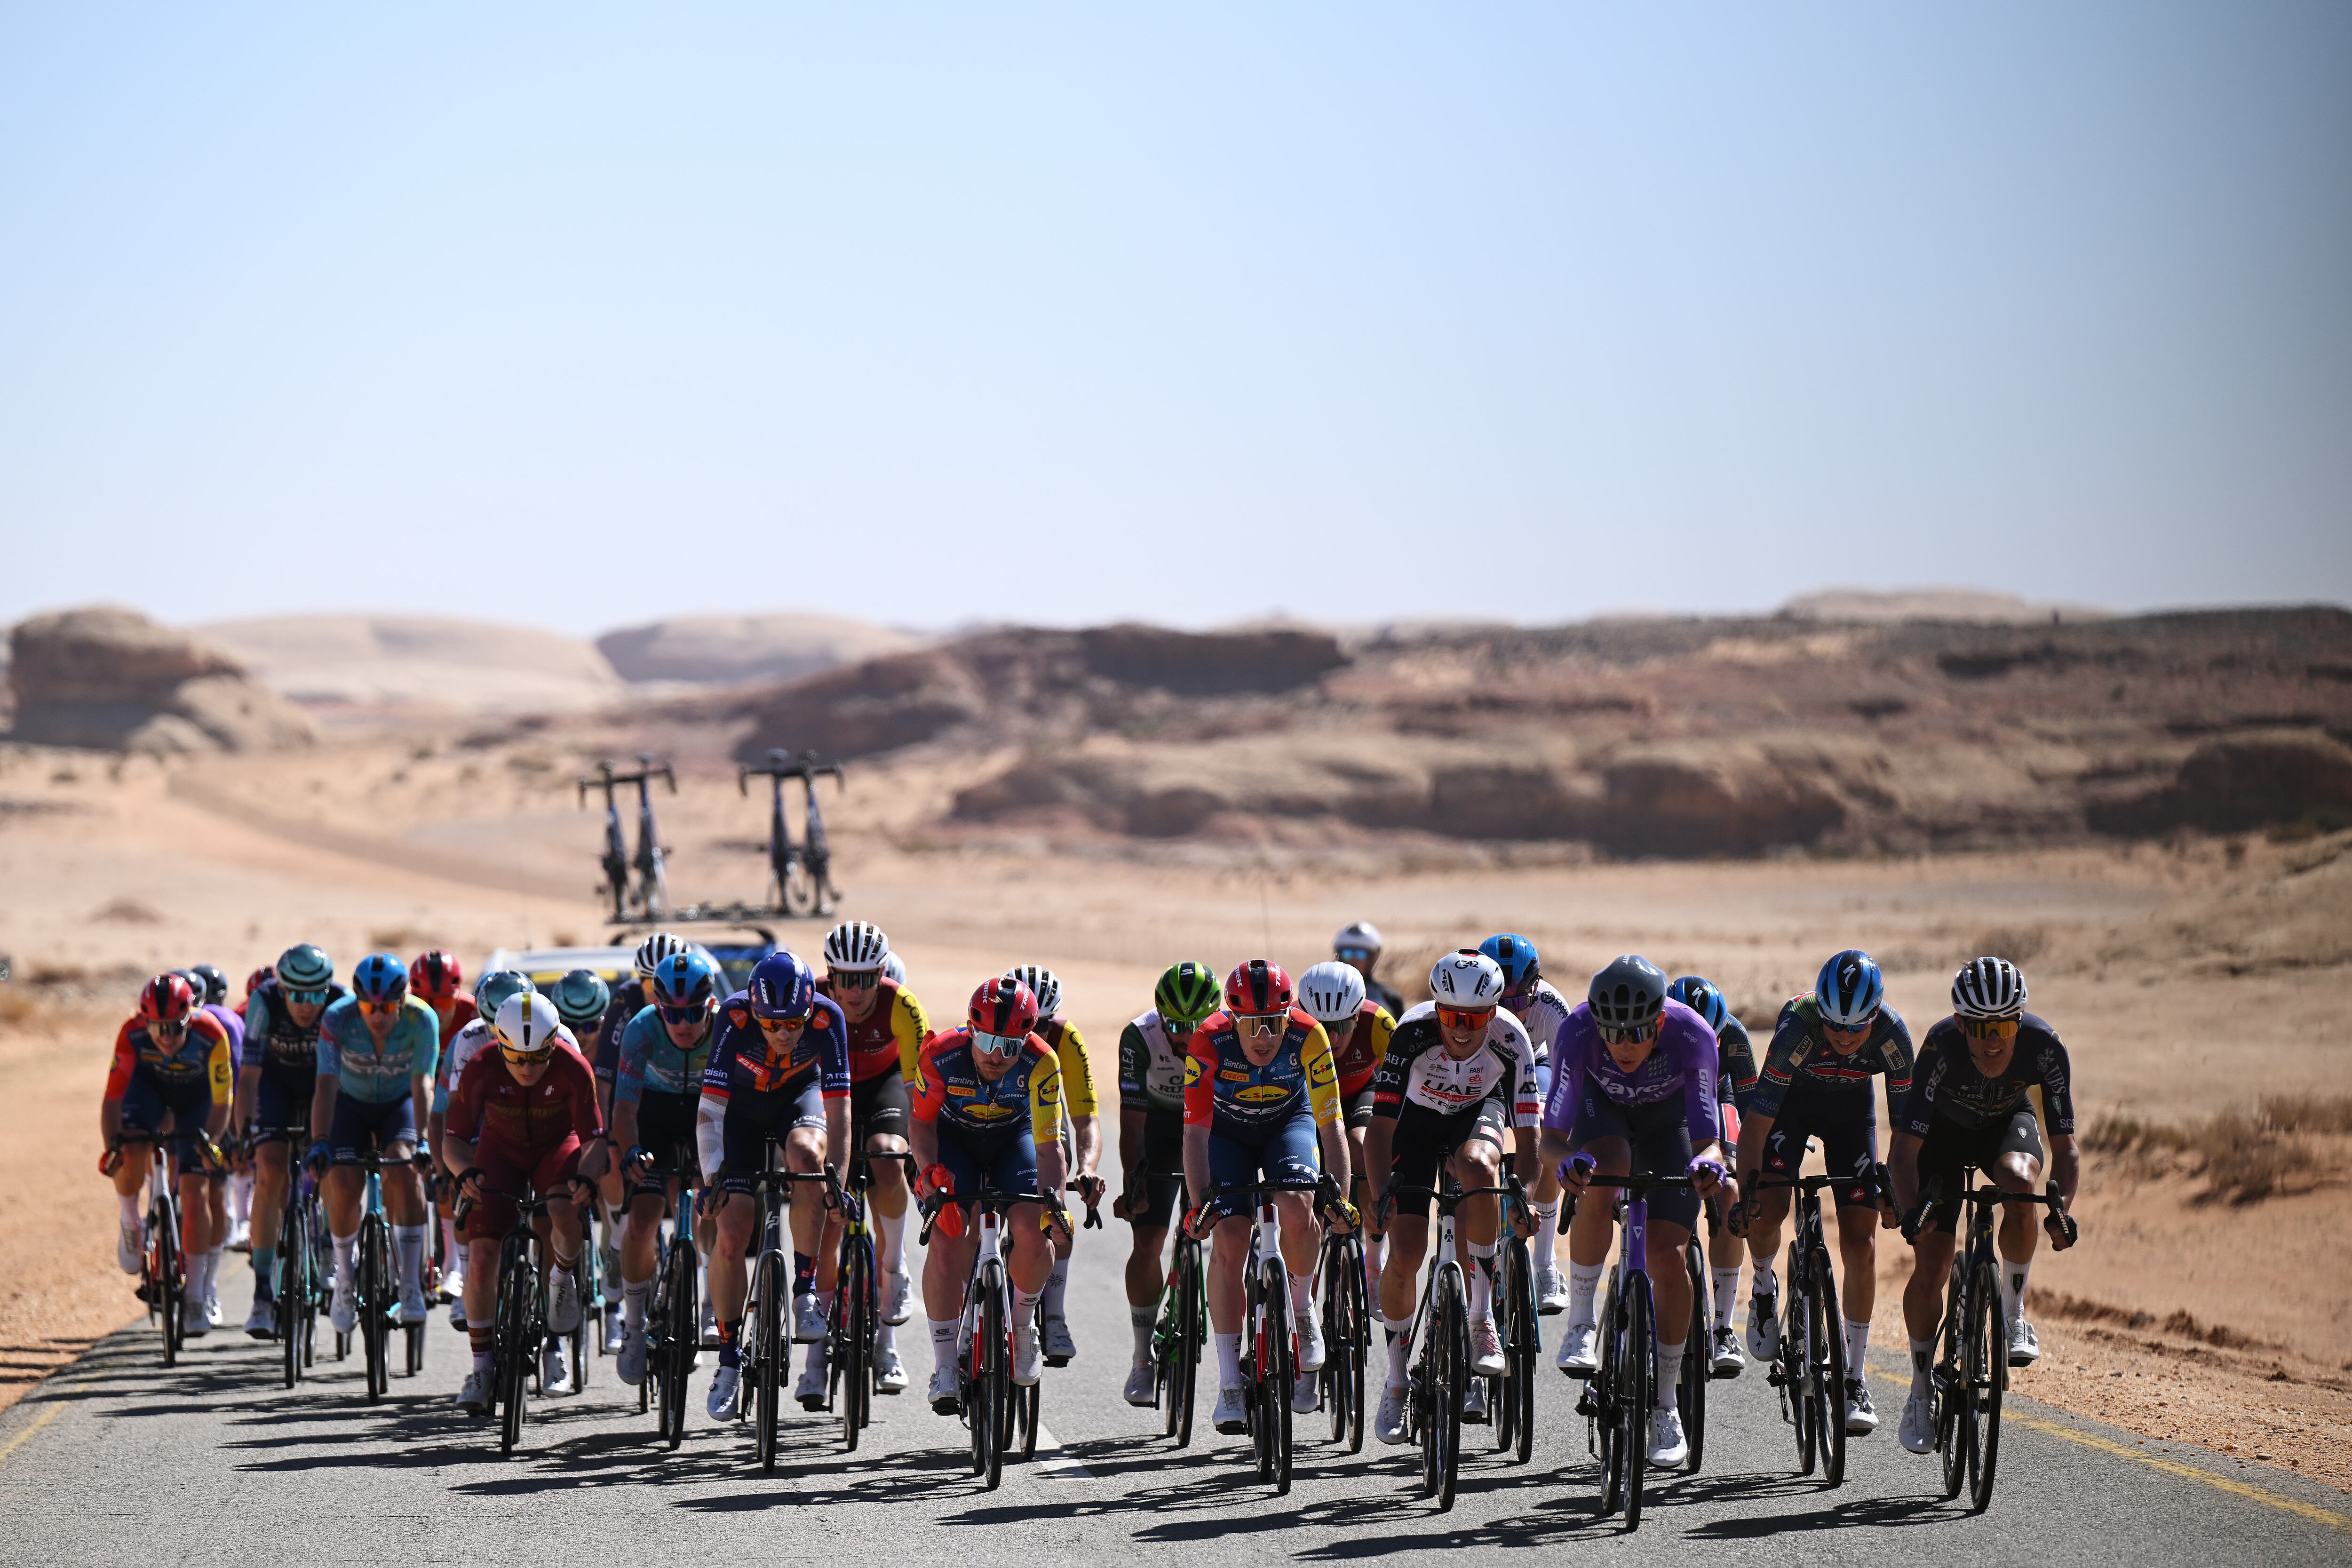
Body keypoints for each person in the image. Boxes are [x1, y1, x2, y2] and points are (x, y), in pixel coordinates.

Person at [1541, 955, 1728, 1468]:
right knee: (1604, 1170)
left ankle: (1666, 1404)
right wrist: (1567, 1164)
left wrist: (1710, 1165)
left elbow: (1710, 1143)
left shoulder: (1692, 1034)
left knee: (1668, 1256)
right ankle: (1581, 1322)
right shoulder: (1577, 1031)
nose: (1623, 1045)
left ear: (1660, 1021)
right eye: (1613, 1033)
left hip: (1671, 1123)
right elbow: (1551, 1140)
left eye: (1638, 1032)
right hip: (1602, 1112)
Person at [1891, 956, 2080, 1455]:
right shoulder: (1939, 1047)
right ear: (1960, 1024)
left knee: (2020, 1184)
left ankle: (2013, 1313)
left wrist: (2060, 1211)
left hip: (2005, 1125)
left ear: (2019, 1020)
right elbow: (1903, 1152)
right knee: (1932, 1264)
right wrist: (1911, 1213)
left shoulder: (2045, 1046)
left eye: (2003, 1026)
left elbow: (2066, 1150)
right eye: (1980, 1028)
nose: (1993, 1041)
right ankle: (1918, 1391)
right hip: (1942, 1138)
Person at [1731, 950, 1911, 1437]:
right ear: (1821, 1015)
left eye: (1856, 1027)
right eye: (1835, 1026)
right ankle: (1764, 1288)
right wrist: (1746, 1197)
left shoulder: (1893, 1035)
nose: (1845, 1036)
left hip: (1852, 1115)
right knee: (1768, 1208)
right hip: (1789, 1108)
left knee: (1861, 1243)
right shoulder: (1798, 1026)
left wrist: (1898, 1196)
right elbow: (1756, 1127)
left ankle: (1854, 1380)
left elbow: (1906, 1135)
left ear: (1875, 1015)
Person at [1365, 950, 1541, 1439]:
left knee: (1479, 1166)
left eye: (1475, 1019)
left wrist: (1523, 1198)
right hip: (1415, 1126)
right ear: (1437, 1009)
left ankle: (1481, 1319)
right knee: (1404, 1252)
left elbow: (1530, 1141)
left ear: (1493, 1012)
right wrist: (1380, 1197)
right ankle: (1397, 1382)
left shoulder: (1511, 1038)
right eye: (1452, 1017)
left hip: (1477, 1114)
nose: (1462, 1030)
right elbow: (1380, 1130)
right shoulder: (1411, 1033)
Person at [1180, 960, 1352, 1434]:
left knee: (1298, 1207)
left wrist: (1338, 1197)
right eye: (1252, 1024)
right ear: (1233, 1019)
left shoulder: (1310, 1035)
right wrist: (1199, 1207)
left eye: (1273, 1023)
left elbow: (1331, 1125)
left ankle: (1302, 1310)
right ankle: (1229, 1383)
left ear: (1288, 1016)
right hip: (1226, 1133)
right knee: (1229, 1240)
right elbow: (1195, 1135)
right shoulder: (1207, 1041)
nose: (1263, 1037)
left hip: (1288, 1124)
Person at [694, 949, 851, 1418]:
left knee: (807, 1158)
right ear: (755, 1013)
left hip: (798, 1099)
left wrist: (836, 1181)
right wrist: (712, 1179)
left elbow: (840, 1110)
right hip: (740, 1111)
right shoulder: (733, 1016)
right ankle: (727, 1359)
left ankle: (804, 1289)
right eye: (773, 1025)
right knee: (731, 1232)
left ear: (809, 1010)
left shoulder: (828, 1017)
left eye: (794, 1023)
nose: (784, 1034)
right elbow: (711, 1109)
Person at [909, 978, 1069, 1413]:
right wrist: (928, 1171)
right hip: (953, 1143)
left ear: (1027, 1039)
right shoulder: (940, 1054)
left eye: (1010, 1045)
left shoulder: (1042, 1061)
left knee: (1034, 1229)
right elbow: (920, 1124)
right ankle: (945, 1365)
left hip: (1014, 1141)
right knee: (946, 1237)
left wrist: (1054, 1203)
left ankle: (1023, 1327)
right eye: (987, 1041)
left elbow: (1049, 1147)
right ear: (971, 1029)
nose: (997, 1055)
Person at [443, 990, 606, 1413]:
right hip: (500, 1152)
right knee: (482, 1256)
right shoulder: (481, 1065)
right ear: (500, 1043)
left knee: (562, 1208)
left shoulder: (574, 1066)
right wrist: (464, 1172)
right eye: (516, 1057)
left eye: (538, 1057)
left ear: (553, 1043)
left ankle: (560, 1293)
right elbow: (454, 1140)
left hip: (557, 1146)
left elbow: (595, 1141)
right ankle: (482, 1368)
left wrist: (586, 1177)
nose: (527, 1067)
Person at [814, 920, 929, 1394]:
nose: (856, 990)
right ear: (831, 975)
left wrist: (921, 1150)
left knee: (887, 1155)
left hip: (884, 1087)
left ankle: (893, 1282)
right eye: (845, 978)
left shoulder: (902, 1005)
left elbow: (920, 1089)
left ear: (882, 974)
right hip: (829, 1089)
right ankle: (815, 1359)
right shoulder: (812, 998)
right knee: (827, 1218)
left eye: (866, 979)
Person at [306, 952, 440, 1334]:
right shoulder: (337, 1017)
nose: (377, 1015)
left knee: (405, 1168)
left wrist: (424, 1140)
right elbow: (326, 1084)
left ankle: (410, 1283)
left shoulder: (422, 1019)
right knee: (344, 1182)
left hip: (400, 1104)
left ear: (402, 1000)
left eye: (386, 1007)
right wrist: (320, 1141)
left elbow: (423, 1083)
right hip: (350, 1104)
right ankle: (345, 1279)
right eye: (368, 1007)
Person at [1113, 960, 1223, 1406]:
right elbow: (1131, 1127)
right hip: (1159, 1128)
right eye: (1176, 1025)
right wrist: (1135, 1183)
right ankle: (1142, 1358)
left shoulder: (1228, 1035)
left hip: (1213, 1126)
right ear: (1160, 1017)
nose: (1186, 1035)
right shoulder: (1139, 1037)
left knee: (1233, 1234)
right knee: (1148, 1241)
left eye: (1196, 1025)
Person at [101, 974, 233, 1336]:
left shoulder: (213, 1033)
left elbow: (223, 1101)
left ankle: (195, 1295)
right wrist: (112, 1146)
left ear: (190, 1017)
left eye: (175, 1027)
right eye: (158, 1027)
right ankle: (131, 1220)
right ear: (145, 1020)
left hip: (197, 1101)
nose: (167, 1036)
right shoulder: (131, 1032)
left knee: (194, 1192)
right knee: (131, 1147)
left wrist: (212, 1142)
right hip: (149, 1093)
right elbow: (113, 1099)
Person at [605, 955, 713, 1388]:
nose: (683, 1023)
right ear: (659, 1007)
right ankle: (633, 1327)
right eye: (673, 1013)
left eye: (693, 1013)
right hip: (655, 1116)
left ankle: (708, 1304)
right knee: (644, 1216)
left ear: (710, 1006)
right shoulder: (642, 1028)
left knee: (712, 1203)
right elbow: (624, 1108)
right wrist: (631, 1150)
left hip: (706, 1113)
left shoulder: (725, 1029)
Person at [236, 944, 345, 1337]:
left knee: (329, 1162)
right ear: (282, 989)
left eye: (316, 995)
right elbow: (248, 1077)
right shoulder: (263, 1001)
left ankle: (330, 1244)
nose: (307, 1005)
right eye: (297, 995)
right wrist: (245, 1133)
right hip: (275, 1087)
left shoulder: (341, 1002)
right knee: (269, 1170)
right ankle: (263, 1293)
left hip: (324, 1086)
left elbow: (349, 1074)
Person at [1007, 962, 1104, 1364]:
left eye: (1043, 1024)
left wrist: (1086, 1168)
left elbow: (1086, 1119)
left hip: (1042, 1119)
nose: (1035, 1033)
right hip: (994, 1120)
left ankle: (1055, 1315)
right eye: (1027, 1024)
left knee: (1056, 1203)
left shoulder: (1066, 1039)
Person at [1666, 974, 1762, 1377]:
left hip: (1718, 1098)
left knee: (1730, 1187)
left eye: (1713, 1038)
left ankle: (1723, 1327)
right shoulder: (1652, 1029)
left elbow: (1753, 1108)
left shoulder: (1736, 1037)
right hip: (1668, 1096)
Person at [428, 969, 532, 1328]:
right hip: (486, 1116)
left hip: (536, 1117)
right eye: (493, 1026)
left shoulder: (554, 1031)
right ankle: (466, 1273)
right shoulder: (469, 1039)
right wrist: (452, 1169)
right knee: (466, 1180)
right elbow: (456, 1113)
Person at [1479, 934, 1573, 1314]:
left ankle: (1546, 1263)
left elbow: (1571, 1077)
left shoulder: (1552, 1007)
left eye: (1517, 1003)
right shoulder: (1471, 998)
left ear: (1535, 988)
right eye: (1499, 1004)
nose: (1508, 1013)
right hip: (1487, 1070)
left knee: (1550, 1129)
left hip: (1536, 1065)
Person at [1296, 961, 1393, 1315]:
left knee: (1361, 1144)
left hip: (1359, 1095)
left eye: (1341, 1027)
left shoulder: (1379, 1023)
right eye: (1322, 1028)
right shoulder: (1291, 1024)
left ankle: (1374, 1258)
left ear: (1358, 1016)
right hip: (1309, 1099)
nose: (1332, 1039)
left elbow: (1405, 1088)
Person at [548, 970, 617, 1339]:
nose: (583, 1033)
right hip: (565, 1126)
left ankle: (614, 1261)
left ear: (604, 1021)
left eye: (591, 1024)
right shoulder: (550, 1043)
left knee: (610, 1176)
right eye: (573, 1024)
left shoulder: (616, 1045)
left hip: (605, 1122)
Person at [186, 965, 253, 1253]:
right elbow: (237, 1078)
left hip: (190, 1106)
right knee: (216, 1184)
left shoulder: (203, 1019)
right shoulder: (230, 1018)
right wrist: (237, 1133)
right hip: (221, 1107)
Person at [1333, 921, 1405, 1019]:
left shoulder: (1390, 999)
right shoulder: (1323, 992)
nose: (1354, 959)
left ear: (1373, 957)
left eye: (1361, 954)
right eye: (1347, 952)